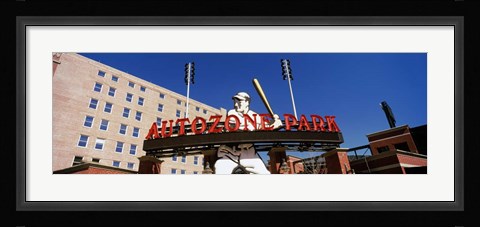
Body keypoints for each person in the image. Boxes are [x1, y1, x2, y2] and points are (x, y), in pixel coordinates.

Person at [214, 92, 282, 174]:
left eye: (239, 101)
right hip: (231, 153)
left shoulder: (255, 115)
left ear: (247, 102)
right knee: (220, 168)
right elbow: (241, 130)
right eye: (235, 102)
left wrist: (275, 123)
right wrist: (268, 127)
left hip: (249, 153)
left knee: (265, 173)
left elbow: (264, 127)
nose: (236, 105)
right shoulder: (232, 113)